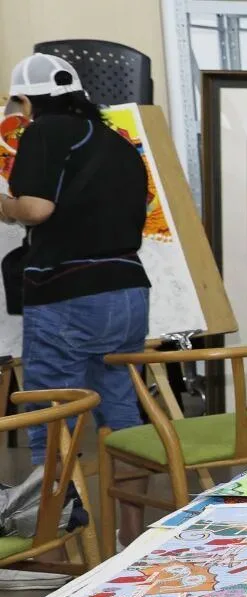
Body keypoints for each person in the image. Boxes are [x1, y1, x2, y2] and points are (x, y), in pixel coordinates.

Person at [0, 53, 151, 545]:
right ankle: (132, 537)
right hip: (128, 290)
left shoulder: (44, 133)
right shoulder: (117, 141)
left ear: (27, 102)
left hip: (67, 292)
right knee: (122, 413)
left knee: (51, 418)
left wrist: (4, 205)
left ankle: (56, 547)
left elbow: (36, 208)